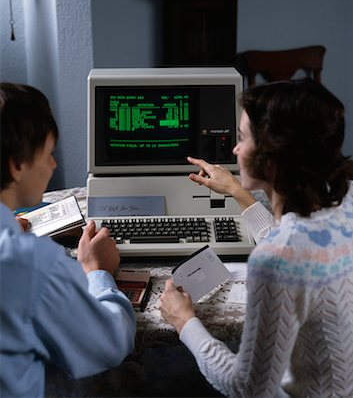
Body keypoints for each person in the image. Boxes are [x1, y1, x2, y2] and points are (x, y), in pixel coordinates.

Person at [160, 78, 353, 397]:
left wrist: (184, 321)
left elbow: (248, 389)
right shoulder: (345, 205)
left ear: (271, 158)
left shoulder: (276, 258)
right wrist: (239, 193)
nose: (235, 148)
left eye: (242, 138)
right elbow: (301, 251)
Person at [0, 83, 136, 398]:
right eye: (49, 153)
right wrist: (97, 270)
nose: (54, 165)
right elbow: (110, 345)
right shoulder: (29, 262)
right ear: (16, 165)